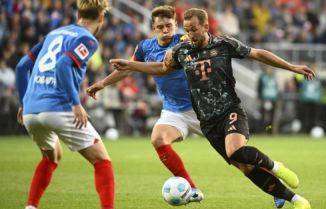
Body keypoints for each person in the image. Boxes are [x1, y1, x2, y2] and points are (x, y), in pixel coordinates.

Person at [110, 8, 314, 209]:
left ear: (206, 26)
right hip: (207, 122)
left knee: (235, 150)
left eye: (194, 29)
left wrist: (293, 67)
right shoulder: (182, 51)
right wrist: (130, 65)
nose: (190, 35)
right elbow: (161, 69)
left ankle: (275, 166)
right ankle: (296, 200)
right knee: (245, 167)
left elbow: (258, 53)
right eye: (187, 30)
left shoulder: (224, 44)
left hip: (229, 110)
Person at [86, 5, 206, 203]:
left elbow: (162, 68)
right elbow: (126, 70)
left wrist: (131, 64)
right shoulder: (145, 47)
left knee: (234, 154)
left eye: (169, 25)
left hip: (201, 108)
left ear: (176, 25)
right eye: (160, 27)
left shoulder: (184, 41)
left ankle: (273, 184)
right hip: (173, 111)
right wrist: (102, 83)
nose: (165, 30)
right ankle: (191, 188)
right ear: (153, 27)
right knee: (158, 139)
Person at [15, 1, 114, 209]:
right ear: (102, 18)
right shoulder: (88, 39)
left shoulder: (54, 34)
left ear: (78, 14)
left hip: (32, 112)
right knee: (102, 161)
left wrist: (24, 103)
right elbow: (62, 65)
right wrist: (75, 103)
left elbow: (22, 66)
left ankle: (31, 206)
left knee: (52, 156)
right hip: (59, 107)